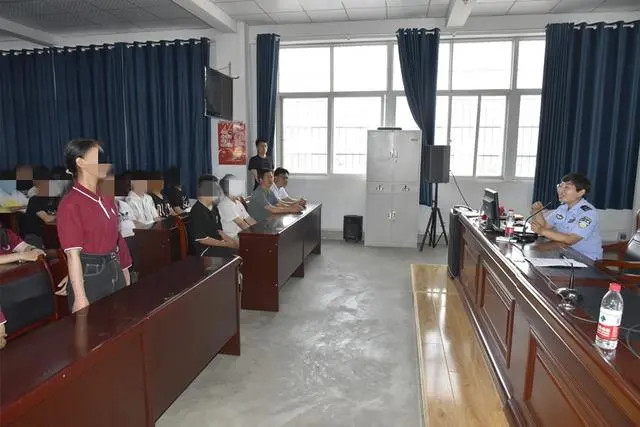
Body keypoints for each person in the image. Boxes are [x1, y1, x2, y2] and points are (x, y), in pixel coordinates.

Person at [56, 139, 132, 313]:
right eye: (98, 158)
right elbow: (73, 255)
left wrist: (124, 273)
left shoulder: (106, 197)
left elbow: (116, 239)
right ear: (81, 162)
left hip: (113, 269)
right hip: (91, 277)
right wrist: (80, 297)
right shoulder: (71, 203)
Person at [530, 172, 602, 260]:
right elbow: (544, 226)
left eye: (567, 187)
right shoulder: (562, 208)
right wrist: (537, 211)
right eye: (560, 186)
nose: (561, 190)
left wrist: (541, 230)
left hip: (586, 259)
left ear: (580, 192)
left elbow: (570, 239)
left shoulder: (588, 213)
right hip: (564, 253)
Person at [189, 175, 238, 257]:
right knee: (234, 256)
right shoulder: (197, 211)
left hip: (218, 245)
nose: (218, 191)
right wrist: (227, 244)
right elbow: (202, 240)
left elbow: (220, 231)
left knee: (242, 249)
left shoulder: (214, 207)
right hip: (205, 250)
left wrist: (232, 242)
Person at [22, 166, 59, 248]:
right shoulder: (34, 200)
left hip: (47, 235)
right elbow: (47, 219)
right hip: (35, 239)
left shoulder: (50, 199)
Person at [218, 174, 257, 239]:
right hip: (232, 237)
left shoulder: (238, 203)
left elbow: (249, 219)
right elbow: (241, 224)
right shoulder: (225, 204)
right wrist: (255, 235)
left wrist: (260, 229)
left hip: (240, 234)